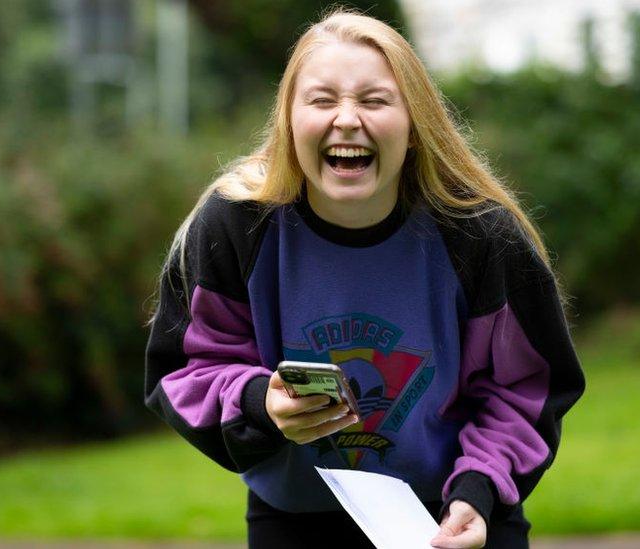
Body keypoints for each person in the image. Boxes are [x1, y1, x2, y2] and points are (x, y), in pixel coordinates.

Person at [144, 9, 585, 549]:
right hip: (296, 519)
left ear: (415, 124)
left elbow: (525, 389)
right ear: (288, 120)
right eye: (322, 100)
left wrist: (478, 489)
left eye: (375, 100)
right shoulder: (235, 224)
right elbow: (187, 369)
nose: (347, 119)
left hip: (455, 519)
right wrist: (262, 401)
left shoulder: (481, 235)